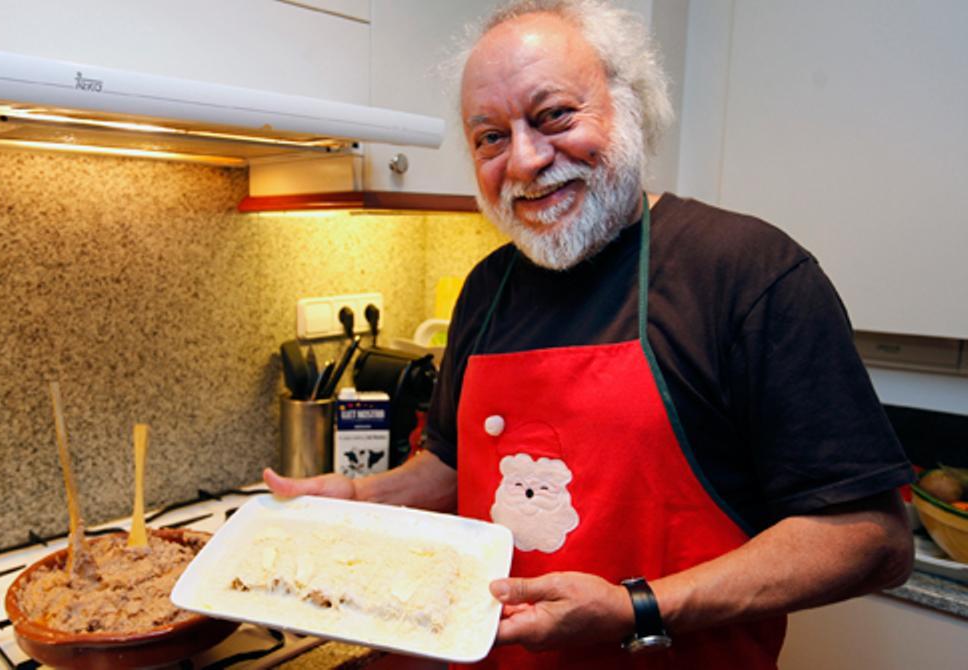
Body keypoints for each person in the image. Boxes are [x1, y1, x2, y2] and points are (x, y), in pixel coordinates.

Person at [265, 0, 915, 667]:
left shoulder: (747, 273)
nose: (523, 159)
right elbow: (455, 467)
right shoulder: (488, 289)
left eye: (554, 117)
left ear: (630, 106)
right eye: (489, 136)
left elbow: (871, 540)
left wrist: (639, 608)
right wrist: (357, 496)